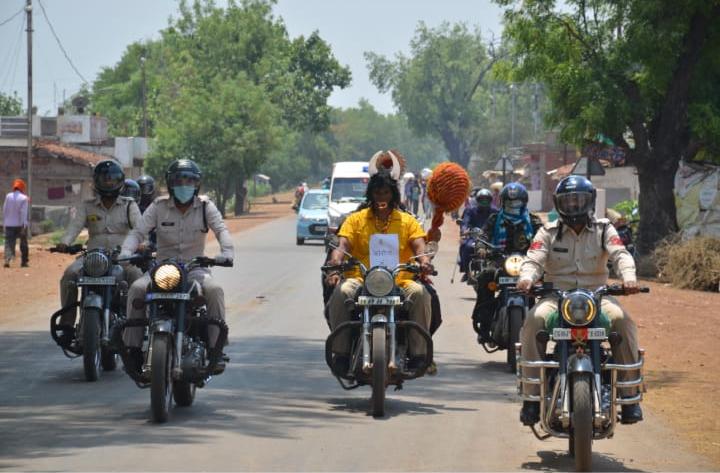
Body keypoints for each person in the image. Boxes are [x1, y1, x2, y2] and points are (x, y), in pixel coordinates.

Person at [515, 175, 643, 425]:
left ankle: (629, 399)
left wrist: (629, 278)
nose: (574, 205)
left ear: (590, 202)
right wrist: (526, 278)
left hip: (597, 295)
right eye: (568, 201)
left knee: (623, 322)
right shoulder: (547, 231)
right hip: (556, 297)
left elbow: (621, 254)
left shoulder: (604, 228)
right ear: (559, 204)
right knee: (533, 322)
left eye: (579, 200)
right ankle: (531, 398)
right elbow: (533, 258)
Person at [121, 159, 234, 377]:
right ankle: (133, 348)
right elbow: (138, 232)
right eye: (179, 180)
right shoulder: (158, 206)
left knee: (215, 290)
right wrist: (127, 252)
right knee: (136, 288)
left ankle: (216, 349)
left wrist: (226, 253)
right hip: (162, 268)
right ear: (170, 184)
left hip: (195, 269)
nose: (184, 184)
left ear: (197, 184)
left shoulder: (205, 207)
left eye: (189, 180)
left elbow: (221, 229)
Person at [325, 169, 433, 373]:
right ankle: (340, 353)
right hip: (360, 279)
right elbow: (343, 245)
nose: (381, 198)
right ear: (370, 195)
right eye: (377, 193)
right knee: (340, 293)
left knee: (421, 294)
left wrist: (424, 260)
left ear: (393, 195)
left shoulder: (407, 221)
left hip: (400, 281)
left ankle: (419, 354)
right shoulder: (355, 219)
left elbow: (419, 245)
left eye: (385, 193)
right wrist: (335, 264)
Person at [55, 160, 143, 344]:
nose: (109, 183)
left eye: (112, 179)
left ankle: (136, 325)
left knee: (137, 280)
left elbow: (140, 229)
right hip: (93, 258)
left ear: (120, 181)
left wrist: (143, 244)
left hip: (122, 258)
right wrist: (64, 242)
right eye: (105, 179)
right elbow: (74, 227)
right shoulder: (87, 205)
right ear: (97, 182)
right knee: (69, 276)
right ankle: (67, 325)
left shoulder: (129, 205)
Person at [471, 182, 542, 342]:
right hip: (499, 260)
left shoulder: (533, 220)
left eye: (516, 202)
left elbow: (544, 238)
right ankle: (484, 324)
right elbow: (483, 236)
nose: (513, 206)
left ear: (523, 202)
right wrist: (481, 247)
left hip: (527, 263)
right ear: (503, 202)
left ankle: (542, 328)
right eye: (509, 203)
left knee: (547, 286)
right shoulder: (495, 219)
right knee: (485, 277)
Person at [458, 189, 496, 282]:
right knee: (466, 247)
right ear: (477, 200)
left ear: (490, 200)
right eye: (482, 199)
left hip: (490, 238)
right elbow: (465, 222)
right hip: (474, 237)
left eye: (486, 199)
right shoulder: (470, 210)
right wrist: (465, 230)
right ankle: (467, 271)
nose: (484, 202)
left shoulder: (495, 211)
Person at [3, 178, 30, 268]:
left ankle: (7, 259)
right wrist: (23, 225)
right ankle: (24, 262)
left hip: (9, 224)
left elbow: (4, 210)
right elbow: (23, 212)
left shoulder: (8, 196)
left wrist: (4, 222)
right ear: (22, 188)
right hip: (20, 225)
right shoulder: (24, 198)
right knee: (23, 243)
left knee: (9, 242)